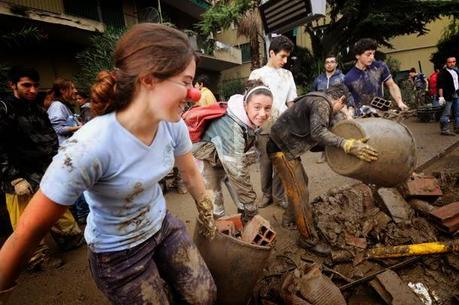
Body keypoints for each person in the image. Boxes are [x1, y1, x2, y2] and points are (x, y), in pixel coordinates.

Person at [0, 24, 217, 305]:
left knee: (205, 296)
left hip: (162, 226)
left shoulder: (171, 125)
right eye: (186, 82)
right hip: (118, 253)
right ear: (149, 79)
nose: (194, 94)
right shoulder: (90, 147)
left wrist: (207, 209)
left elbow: (190, 172)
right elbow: (27, 233)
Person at [267, 84, 378, 255]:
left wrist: (338, 144)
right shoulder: (322, 103)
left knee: (300, 183)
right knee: (300, 192)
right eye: (342, 107)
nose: (339, 111)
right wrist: (345, 144)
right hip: (281, 149)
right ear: (341, 100)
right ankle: (308, 240)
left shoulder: (316, 98)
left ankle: (289, 218)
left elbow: (313, 140)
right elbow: (318, 133)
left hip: (283, 145)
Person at [0, 66, 83, 271]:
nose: (32, 90)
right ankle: (35, 259)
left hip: (44, 170)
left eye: (35, 86)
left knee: (57, 210)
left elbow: (49, 137)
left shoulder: (37, 109)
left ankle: (71, 240)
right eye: (26, 85)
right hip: (18, 176)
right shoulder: (4, 109)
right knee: (26, 223)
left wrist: (57, 162)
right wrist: (13, 178)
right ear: (12, 85)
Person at [193, 80, 273, 219]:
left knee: (243, 202)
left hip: (225, 159)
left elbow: (239, 163)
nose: (262, 114)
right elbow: (237, 171)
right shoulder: (232, 126)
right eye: (257, 107)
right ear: (245, 104)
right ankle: (216, 239)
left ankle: (243, 227)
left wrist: (248, 204)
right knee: (215, 209)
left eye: (267, 108)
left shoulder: (247, 121)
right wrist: (251, 205)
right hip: (206, 162)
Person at [249, 35, 297, 209]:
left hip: (283, 124)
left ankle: (278, 196)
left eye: (287, 57)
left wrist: (294, 121)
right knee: (266, 162)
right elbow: (251, 102)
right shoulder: (257, 74)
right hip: (264, 125)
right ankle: (266, 194)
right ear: (271, 53)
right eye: (282, 56)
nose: (285, 60)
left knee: (280, 162)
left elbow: (291, 101)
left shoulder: (288, 74)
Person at [344, 38, 408, 114]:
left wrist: (399, 102)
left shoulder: (380, 67)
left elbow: (392, 85)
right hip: (361, 119)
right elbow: (345, 101)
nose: (372, 57)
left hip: (380, 114)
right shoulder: (348, 77)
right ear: (358, 56)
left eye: (373, 54)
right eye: (368, 54)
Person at [45, 78, 82, 145]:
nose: (75, 91)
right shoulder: (57, 105)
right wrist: (80, 127)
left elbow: (67, 124)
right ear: (62, 90)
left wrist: (77, 122)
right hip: (62, 148)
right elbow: (58, 129)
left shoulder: (64, 106)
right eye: (72, 88)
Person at [437, 56, 459, 135]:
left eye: (453, 61)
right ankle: (444, 129)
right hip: (447, 96)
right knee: (446, 113)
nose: (452, 63)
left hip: (456, 94)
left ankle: (457, 128)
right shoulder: (442, 73)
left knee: (457, 112)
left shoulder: (456, 71)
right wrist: (441, 97)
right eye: (450, 62)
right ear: (446, 63)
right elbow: (440, 86)